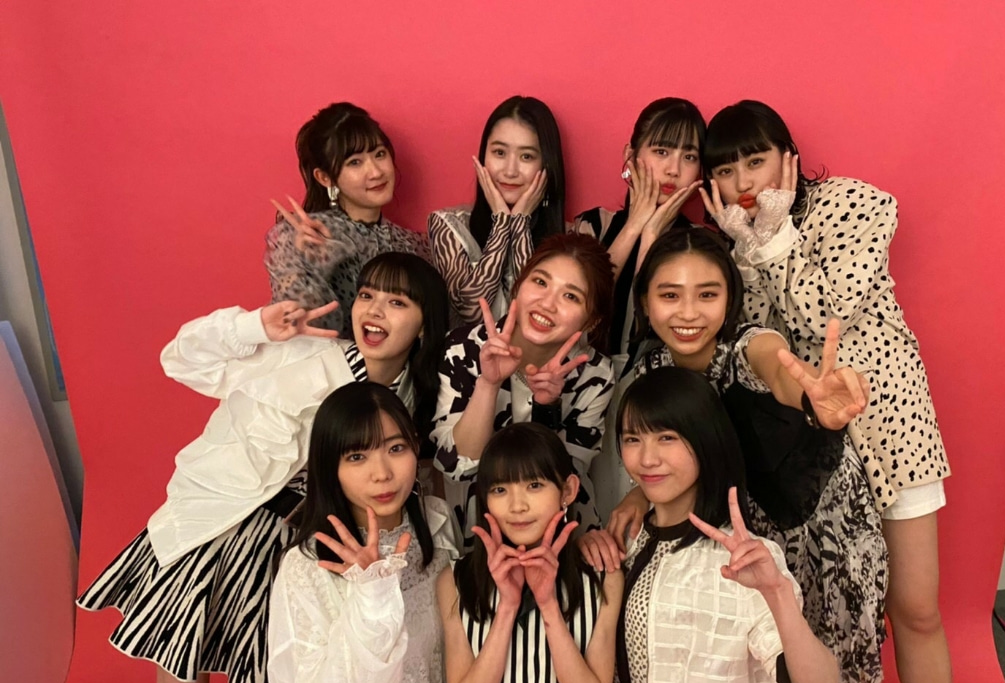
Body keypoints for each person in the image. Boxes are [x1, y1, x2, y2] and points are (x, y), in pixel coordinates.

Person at [77, 254, 448, 683]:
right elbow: (180, 359)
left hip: (309, 548)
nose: (375, 310)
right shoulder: (303, 351)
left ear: (423, 324)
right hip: (222, 531)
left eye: (397, 302)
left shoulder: (417, 397)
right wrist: (253, 327)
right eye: (368, 295)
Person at [701, 99, 971, 683]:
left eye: (755, 161)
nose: (743, 183)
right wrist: (748, 245)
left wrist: (773, 237)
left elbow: (827, 312)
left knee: (915, 607)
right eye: (725, 170)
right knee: (821, 612)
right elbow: (758, 345)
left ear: (788, 157)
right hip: (810, 455)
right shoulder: (732, 244)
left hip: (891, 428)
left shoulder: (855, 205)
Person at [626, 227, 886, 683]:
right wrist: (633, 499)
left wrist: (812, 397)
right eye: (669, 294)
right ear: (644, 301)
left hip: (821, 527)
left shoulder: (748, 347)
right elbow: (666, 454)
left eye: (707, 294)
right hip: (750, 533)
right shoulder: (653, 369)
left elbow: (777, 369)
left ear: (731, 298)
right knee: (767, 666)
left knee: (836, 677)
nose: (688, 313)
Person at [614, 367, 841, 683]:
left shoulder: (745, 562)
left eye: (667, 438)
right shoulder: (627, 541)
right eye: (632, 439)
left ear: (705, 441)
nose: (647, 458)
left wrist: (777, 594)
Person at [268, 382, 461, 683]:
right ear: (329, 467)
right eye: (357, 456)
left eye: (395, 448)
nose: (382, 473)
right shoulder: (308, 567)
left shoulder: (436, 524)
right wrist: (372, 595)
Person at [437, 423, 624, 683]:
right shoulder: (455, 581)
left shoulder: (602, 578)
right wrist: (507, 607)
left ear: (567, 491)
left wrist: (549, 604)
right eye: (500, 490)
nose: (517, 506)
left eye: (535, 485)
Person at [570, 97, 705, 517]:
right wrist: (635, 227)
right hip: (582, 388)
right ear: (631, 155)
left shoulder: (698, 243)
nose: (673, 169)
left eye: (689, 157)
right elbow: (580, 306)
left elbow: (656, 327)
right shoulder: (593, 224)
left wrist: (652, 241)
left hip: (657, 401)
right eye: (661, 151)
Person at [431, 233, 615, 533]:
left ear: (591, 321)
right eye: (540, 282)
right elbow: (456, 467)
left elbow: (564, 482)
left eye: (571, 296)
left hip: (557, 531)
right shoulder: (464, 348)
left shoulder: (594, 375)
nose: (547, 304)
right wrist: (488, 384)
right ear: (518, 285)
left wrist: (547, 408)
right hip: (474, 527)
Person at [266, 102, 430, 338]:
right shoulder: (303, 237)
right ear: (325, 178)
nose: (376, 172)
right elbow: (303, 333)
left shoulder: (415, 245)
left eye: (379, 154)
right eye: (355, 162)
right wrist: (307, 266)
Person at [429, 96, 566, 329]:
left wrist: (520, 224)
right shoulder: (449, 224)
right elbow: (472, 312)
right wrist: (502, 223)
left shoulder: (571, 238)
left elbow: (531, 319)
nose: (510, 171)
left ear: (547, 164)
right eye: (500, 153)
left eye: (526, 156)